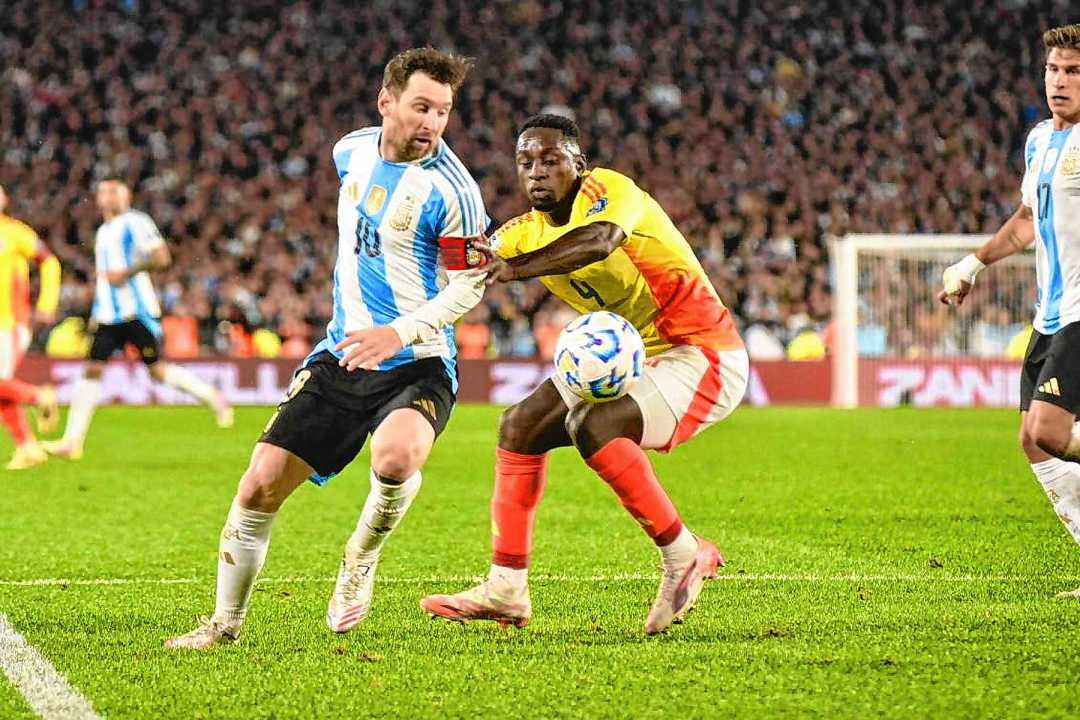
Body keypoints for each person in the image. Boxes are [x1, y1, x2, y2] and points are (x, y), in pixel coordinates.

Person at [166, 47, 490, 649]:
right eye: (421, 107)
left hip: (417, 361)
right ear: (386, 101)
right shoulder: (351, 151)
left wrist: (398, 332)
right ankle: (223, 625)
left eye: (444, 111)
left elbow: (470, 285)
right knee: (259, 485)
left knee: (396, 458)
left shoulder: (454, 192)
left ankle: (361, 556)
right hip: (343, 353)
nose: (433, 123)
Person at [421, 114, 749, 635]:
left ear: (579, 164)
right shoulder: (521, 234)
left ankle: (682, 554)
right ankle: (506, 587)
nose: (537, 171)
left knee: (595, 425)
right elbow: (468, 269)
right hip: (630, 357)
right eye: (526, 162)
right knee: (519, 426)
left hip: (700, 354)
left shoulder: (611, 191)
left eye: (551, 160)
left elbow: (599, 239)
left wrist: (515, 268)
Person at [938, 24, 1080, 596]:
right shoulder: (1040, 140)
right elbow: (1025, 221)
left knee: (1049, 430)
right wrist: (973, 264)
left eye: (1073, 71)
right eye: (1053, 69)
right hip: (1050, 315)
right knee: (1032, 438)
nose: (1059, 81)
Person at [42, 180, 233, 460]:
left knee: (157, 371)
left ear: (126, 197)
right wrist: (97, 313)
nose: (108, 196)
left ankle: (211, 395)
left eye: (114, 191)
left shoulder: (136, 222)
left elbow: (161, 257)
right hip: (108, 315)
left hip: (137, 312)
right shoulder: (104, 231)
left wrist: (128, 271)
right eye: (103, 192)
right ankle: (72, 441)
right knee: (92, 369)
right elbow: (106, 280)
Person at [0, 184, 61, 470]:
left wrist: (47, 302)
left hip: (9, 323)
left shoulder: (15, 232)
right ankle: (27, 447)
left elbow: (49, 262)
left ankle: (37, 396)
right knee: (2, 387)